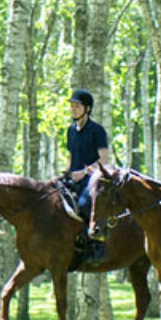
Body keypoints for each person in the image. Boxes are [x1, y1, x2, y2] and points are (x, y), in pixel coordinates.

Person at [65, 88, 109, 261]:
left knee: (84, 204)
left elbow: (104, 160)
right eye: (71, 106)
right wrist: (65, 173)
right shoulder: (70, 130)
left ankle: (97, 246)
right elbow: (72, 157)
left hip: (93, 179)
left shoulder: (97, 130)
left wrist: (84, 172)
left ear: (87, 109)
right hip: (73, 177)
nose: (73, 109)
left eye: (77, 106)